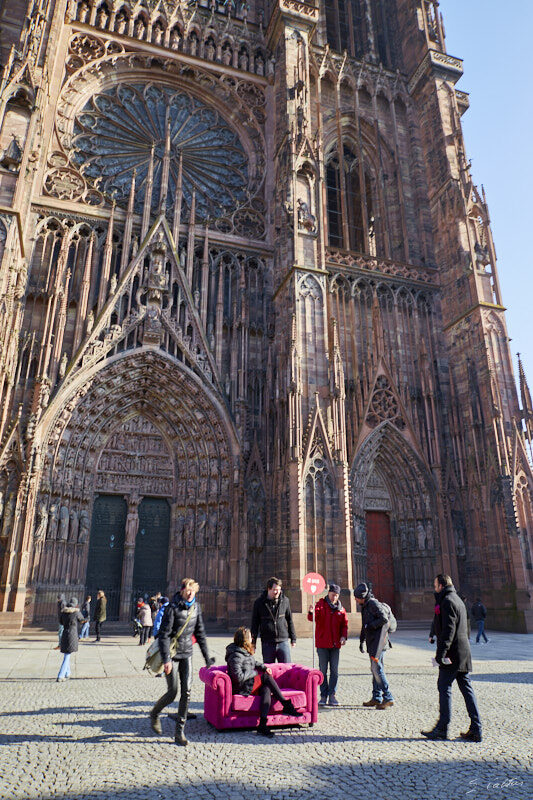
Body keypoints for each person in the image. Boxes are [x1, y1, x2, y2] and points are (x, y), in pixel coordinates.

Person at [149, 578, 214, 746]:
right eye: (188, 589)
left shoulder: (196, 608)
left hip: (187, 654)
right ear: (182, 590)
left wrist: (207, 658)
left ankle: (180, 732)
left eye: (193, 589)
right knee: (173, 692)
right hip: (172, 655)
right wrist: (166, 660)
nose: (190, 592)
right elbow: (164, 636)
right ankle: (155, 713)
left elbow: (200, 633)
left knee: (186, 692)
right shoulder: (172, 608)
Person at [421, 574, 482, 742]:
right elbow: (465, 626)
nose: (434, 588)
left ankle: (442, 729)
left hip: (453, 654)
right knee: (467, 690)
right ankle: (476, 729)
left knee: (444, 687)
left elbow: (449, 630)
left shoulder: (447, 601)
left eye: (435, 585)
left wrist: (440, 654)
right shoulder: (458, 600)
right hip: (463, 651)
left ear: (441, 585)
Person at [225, 626, 303, 738]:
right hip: (242, 687)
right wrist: (255, 673)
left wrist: (263, 667)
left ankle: (262, 724)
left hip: (249, 684)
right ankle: (286, 704)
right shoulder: (236, 655)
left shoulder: (243, 652)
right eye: (250, 636)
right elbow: (238, 677)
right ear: (244, 639)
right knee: (266, 677)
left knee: (266, 688)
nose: (252, 638)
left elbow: (252, 662)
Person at [354, 582, 394, 710]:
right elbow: (364, 625)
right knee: (375, 669)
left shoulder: (373, 604)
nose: (355, 600)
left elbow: (384, 619)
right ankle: (377, 698)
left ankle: (388, 697)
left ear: (362, 597)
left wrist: (370, 626)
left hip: (379, 643)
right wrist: (361, 640)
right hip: (373, 643)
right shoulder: (365, 605)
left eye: (356, 598)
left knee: (377, 669)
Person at [307, 583, 348, 706]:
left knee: (334, 671)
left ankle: (332, 695)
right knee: (323, 671)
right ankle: (323, 695)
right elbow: (313, 618)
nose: (334, 597)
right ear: (328, 593)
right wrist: (311, 612)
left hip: (335, 645)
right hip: (323, 644)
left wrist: (343, 636)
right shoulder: (320, 605)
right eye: (332, 595)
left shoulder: (341, 609)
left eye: (336, 595)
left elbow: (344, 625)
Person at [250, 577, 296, 663]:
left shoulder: (285, 601)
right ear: (269, 589)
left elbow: (289, 620)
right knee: (269, 670)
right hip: (267, 642)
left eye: (279, 589)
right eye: (275, 590)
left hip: (283, 641)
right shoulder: (259, 603)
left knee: (286, 669)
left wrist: (293, 638)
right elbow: (255, 624)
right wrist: (253, 643)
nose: (277, 592)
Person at [57, 597, 84, 682]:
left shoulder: (64, 612)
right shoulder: (76, 612)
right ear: (76, 604)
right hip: (72, 634)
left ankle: (68, 673)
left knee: (67, 653)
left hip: (65, 634)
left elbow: (61, 622)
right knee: (67, 655)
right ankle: (61, 675)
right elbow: (81, 620)